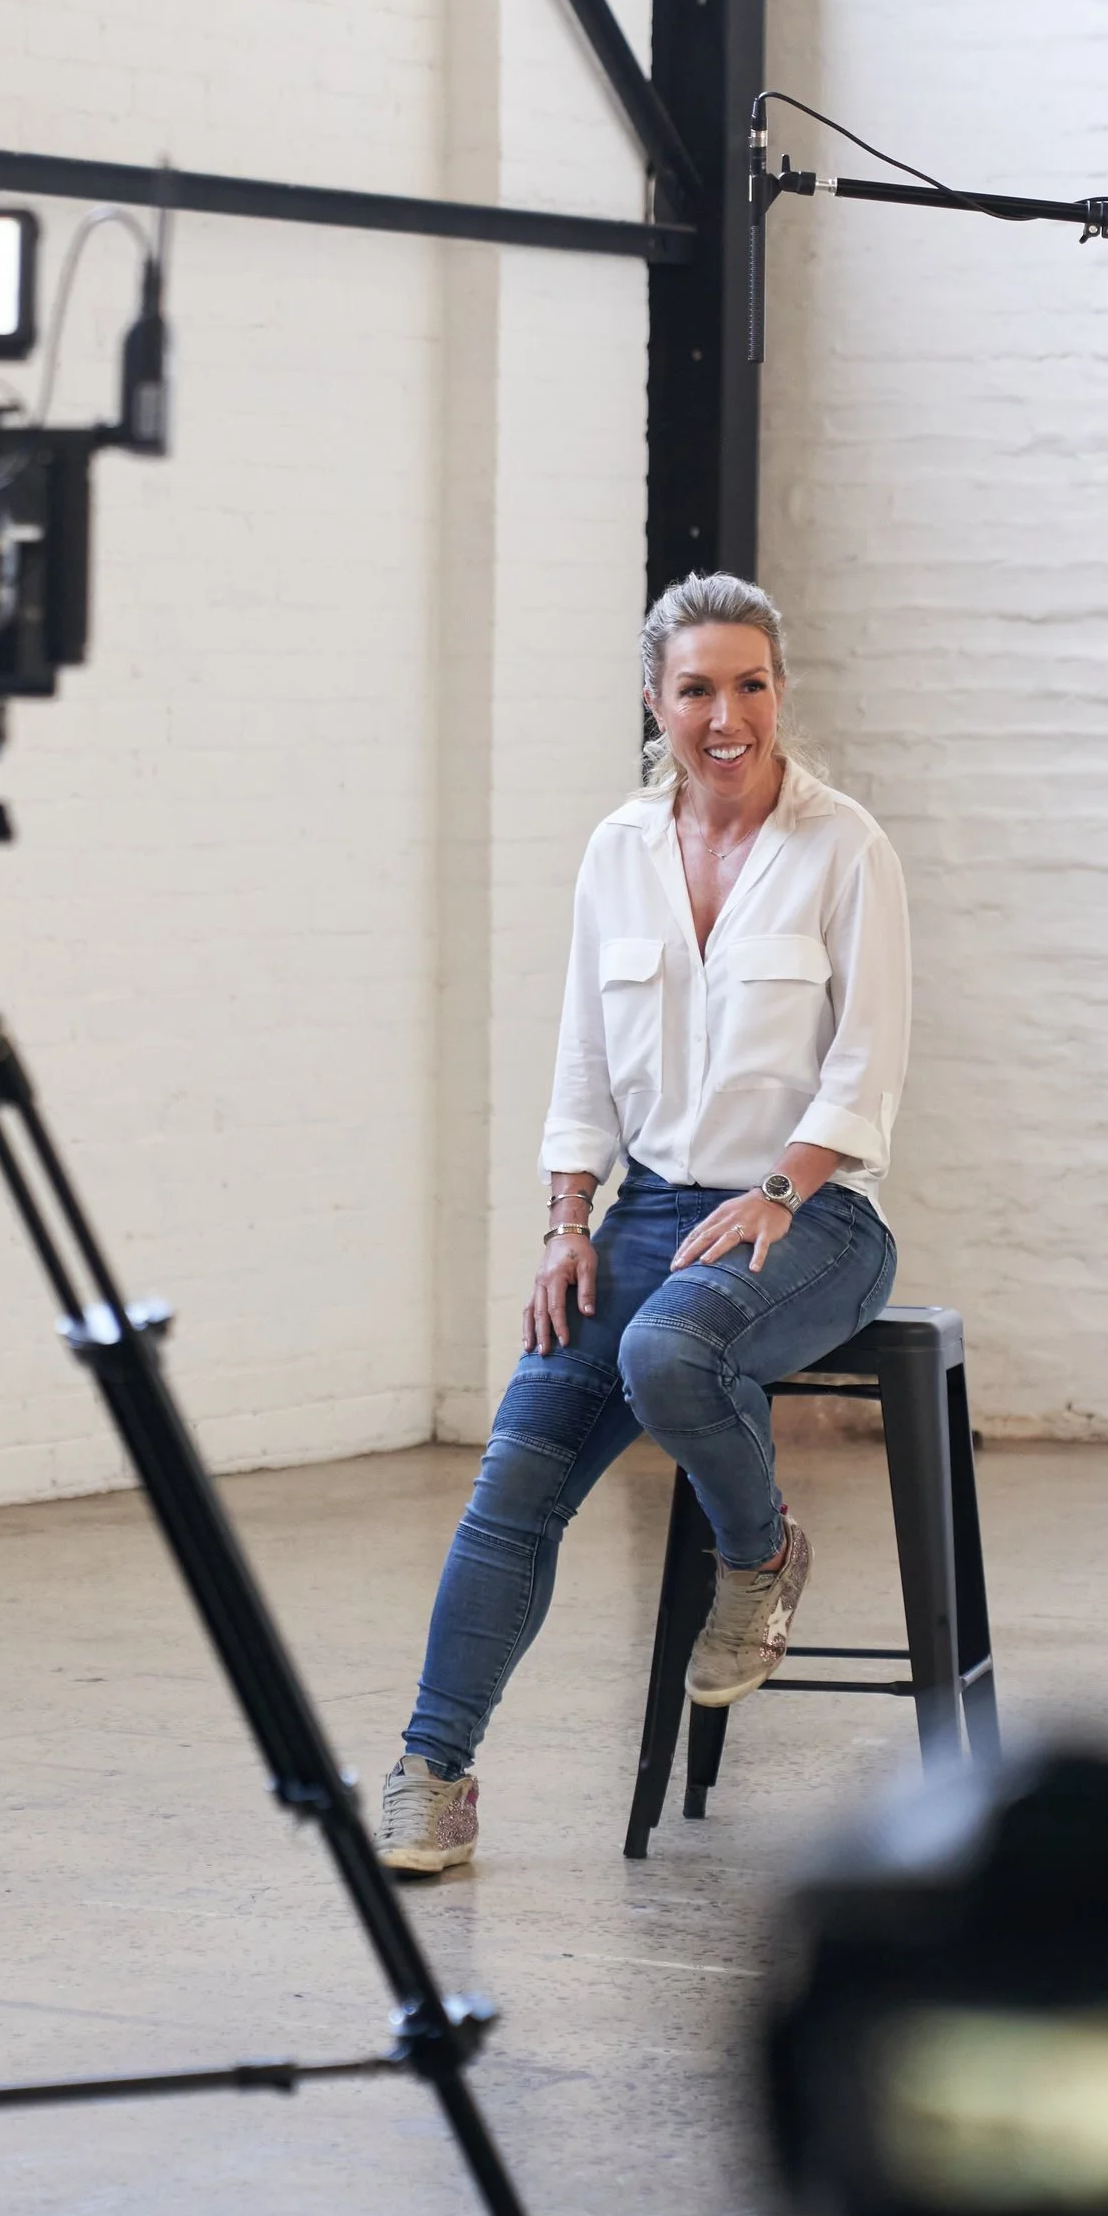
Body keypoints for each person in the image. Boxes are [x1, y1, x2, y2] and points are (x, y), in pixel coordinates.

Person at [377, 573, 910, 1878]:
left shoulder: (844, 847)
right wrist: (568, 1222)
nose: (727, 717)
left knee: (668, 1352)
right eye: (696, 690)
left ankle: (760, 1553)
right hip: (650, 1210)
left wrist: (777, 1190)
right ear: (655, 702)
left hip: (814, 1213)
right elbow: (583, 1061)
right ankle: (432, 1776)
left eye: (750, 685)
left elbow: (867, 1067)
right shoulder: (619, 850)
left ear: (780, 690)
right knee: (515, 1478)